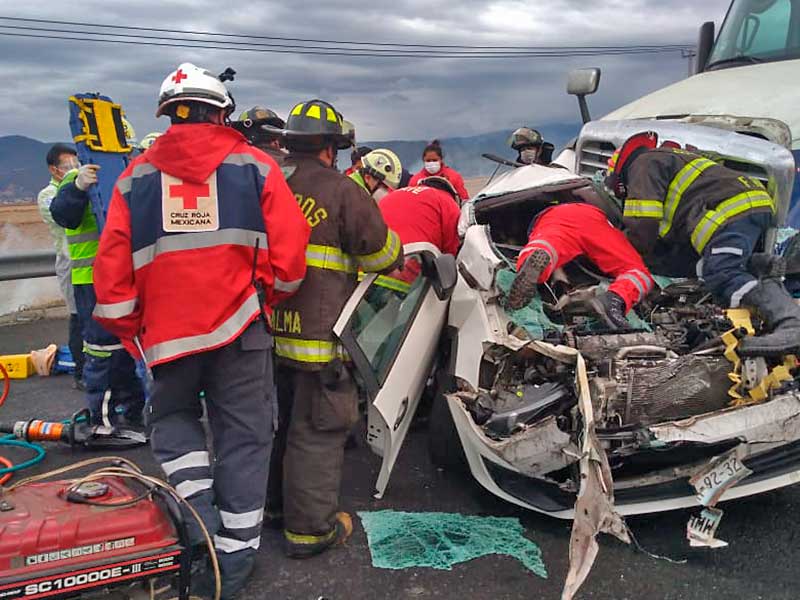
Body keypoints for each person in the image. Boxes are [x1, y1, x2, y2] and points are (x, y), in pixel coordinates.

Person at [92, 63, 310, 598]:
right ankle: (233, 556)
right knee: (246, 435)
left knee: (172, 422)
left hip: (166, 334)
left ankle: (201, 521)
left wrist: (134, 332)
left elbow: (113, 272)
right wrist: (261, 296)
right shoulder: (256, 166)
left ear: (168, 114)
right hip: (241, 327)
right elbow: (291, 259)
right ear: (222, 111)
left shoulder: (135, 177)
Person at [270, 98, 402, 559]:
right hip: (318, 338)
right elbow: (382, 256)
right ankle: (309, 531)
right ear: (332, 147)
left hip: (266, 332)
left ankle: (273, 510)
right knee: (318, 431)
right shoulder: (341, 190)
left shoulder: (269, 182)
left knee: (279, 425)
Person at [607, 130, 800, 354]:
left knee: (723, 273)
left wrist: (619, 253)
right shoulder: (667, 162)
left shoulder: (643, 163)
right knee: (710, 269)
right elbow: (671, 248)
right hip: (744, 207)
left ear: (619, 176)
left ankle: (791, 324)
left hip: (732, 210)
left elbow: (643, 227)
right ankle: (757, 266)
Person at [50, 161, 145, 428]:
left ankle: (134, 409)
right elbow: (63, 214)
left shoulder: (127, 172)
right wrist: (78, 187)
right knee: (103, 350)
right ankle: (102, 419)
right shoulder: (76, 178)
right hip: (92, 280)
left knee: (128, 347)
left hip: (125, 275)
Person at [505, 202, 654, 329]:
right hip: (594, 216)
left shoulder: (545, 219)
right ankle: (615, 298)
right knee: (637, 271)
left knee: (546, 245)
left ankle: (533, 257)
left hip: (553, 218)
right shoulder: (586, 198)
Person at [38, 144, 84, 388]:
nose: (73, 169)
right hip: (70, 263)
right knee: (78, 317)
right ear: (54, 169)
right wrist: (74, 187)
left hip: (88, 260)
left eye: (76, 164)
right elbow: (63, 218)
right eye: (67, 166)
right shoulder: (48, 195)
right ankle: (81, 372)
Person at [380, 175, 461, 255]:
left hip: (380, 254)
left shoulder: (395, 193)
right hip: (415, 256)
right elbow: (451, 248)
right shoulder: (447, 200)